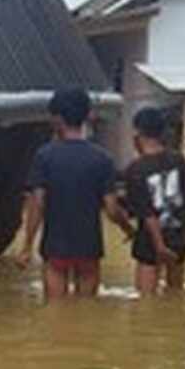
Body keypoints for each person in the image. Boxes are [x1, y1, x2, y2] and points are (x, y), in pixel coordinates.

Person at [14, 87, 131, 298]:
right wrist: (129, 229)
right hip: (89, 248)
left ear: (57, 118)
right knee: (86, 312)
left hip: (56, 249)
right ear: (87, 117)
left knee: (56, 314)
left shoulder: (44, 157)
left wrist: (26, 246)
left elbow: (37, 204)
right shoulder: (102, 159)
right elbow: (112, 209)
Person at [120, 108, 185, 294]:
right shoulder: (180, 161)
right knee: (175, 292)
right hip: (179, 236)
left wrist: (159, 245)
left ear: (137, 133)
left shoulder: (135, 170)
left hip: (150, 242)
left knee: (145, 299)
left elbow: (147, 212)